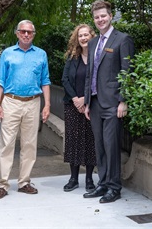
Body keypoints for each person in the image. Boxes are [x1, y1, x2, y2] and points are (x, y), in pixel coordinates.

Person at [83, 0, 135, 203]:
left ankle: (114, 187)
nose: (100, 19)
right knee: (100, 146)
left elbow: (128, 72)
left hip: (113, 103)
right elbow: (90, 74)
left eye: (103, 16)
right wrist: (87, 102)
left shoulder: (123, 39)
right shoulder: (93, 43)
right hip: (95, 103)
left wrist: (124, 101)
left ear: (110, 16)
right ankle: (102, 183)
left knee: (111, 146)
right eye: (96, 17)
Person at [0, 20, 51, 199]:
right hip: (11, 101)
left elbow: (45, 81)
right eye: (23, 31)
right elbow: (0, 80)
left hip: (33, 103)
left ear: (34, 34)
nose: (26, 34)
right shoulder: (7, 53)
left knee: (29, 144)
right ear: (17, 33)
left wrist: (47, 104)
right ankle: (3, 184)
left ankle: (24, 182)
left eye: (30, 32)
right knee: (7, 143)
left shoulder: (41, 54)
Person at [61, 24, 97, 192]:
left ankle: (89, 179)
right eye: (80, 36)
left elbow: (98, 80)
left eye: (86, 35)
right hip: (72, 105)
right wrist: (76, 99)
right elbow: (65, 80)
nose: (83, 38)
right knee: (73, 141)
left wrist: (85, 99)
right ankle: (73, 178)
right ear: (77, 39)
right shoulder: (72, 57)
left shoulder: (97, 57)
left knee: (90, 141)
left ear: (91, 36)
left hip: (92, 105)